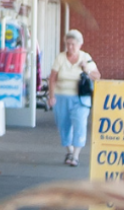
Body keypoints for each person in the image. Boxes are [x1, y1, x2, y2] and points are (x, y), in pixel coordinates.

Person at [46, 29, 100, 166]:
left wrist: (86, 69)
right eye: (68, 44)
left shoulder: (86, 57)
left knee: (80, 124)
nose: (70, 47)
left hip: (81, 98)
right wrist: (51, 96)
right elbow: (52, 78)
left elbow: (97, 76)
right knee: (63, 125)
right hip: (62, 96)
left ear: (80, 44)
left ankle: (75, 156)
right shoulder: (60, 58)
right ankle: (69, 151)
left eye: (73, 44)